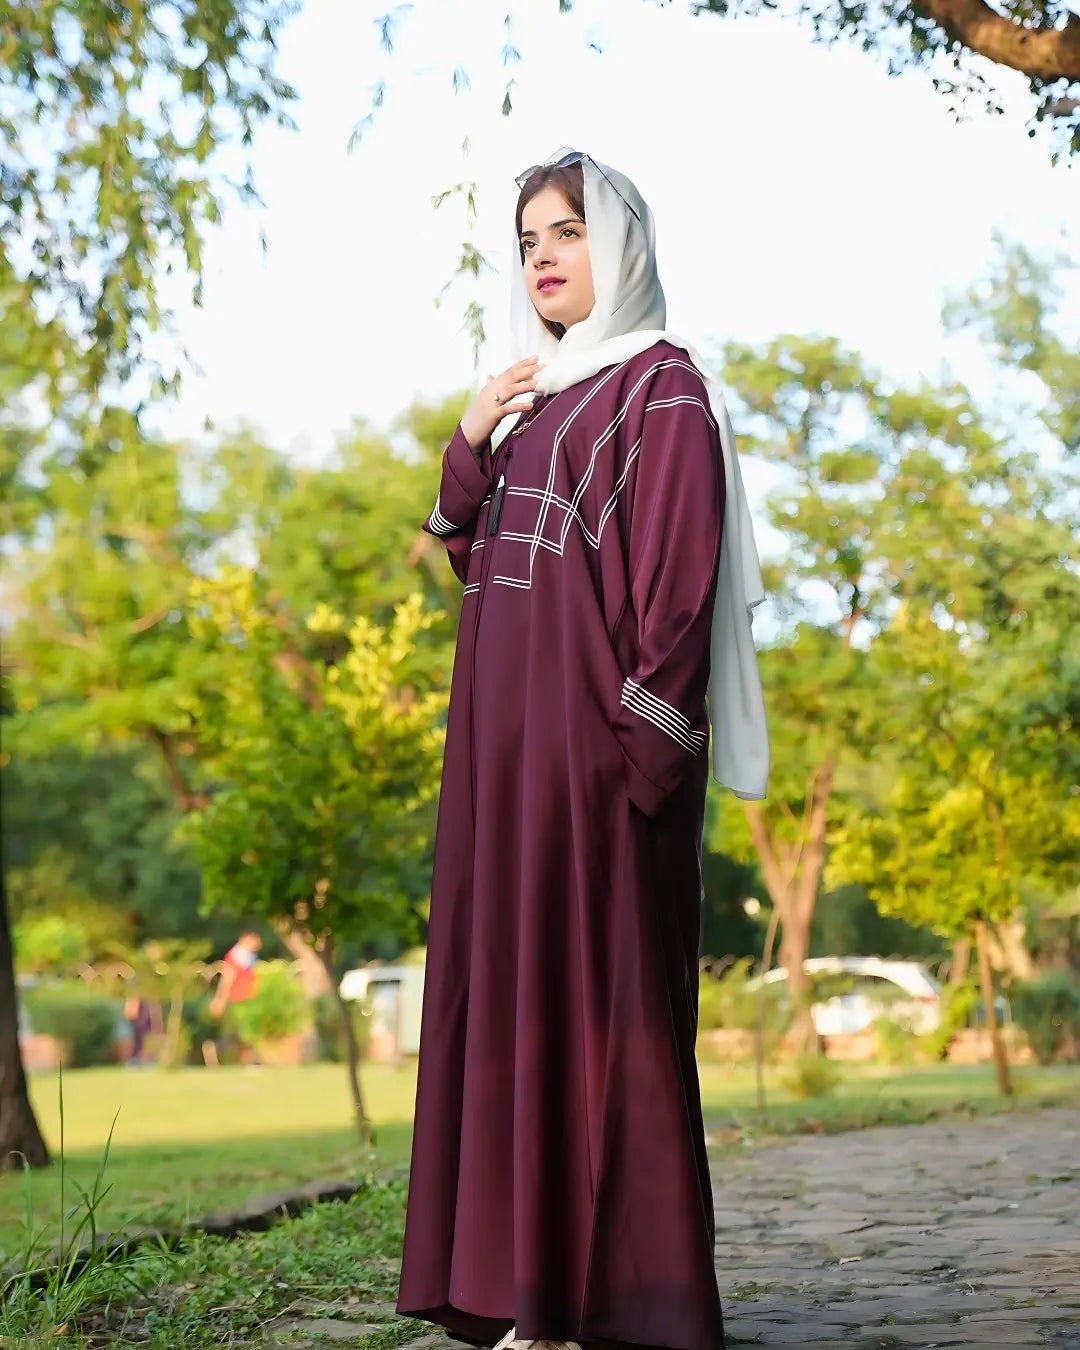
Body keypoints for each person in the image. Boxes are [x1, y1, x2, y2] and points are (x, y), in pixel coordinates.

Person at [396, 149, 769, 1350]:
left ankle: (602, 1307)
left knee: (597, 1018)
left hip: (594, 770)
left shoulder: (659, 388)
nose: (544, 255)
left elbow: (677, 590)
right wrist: (469, 430)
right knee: (515, 1017)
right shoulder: (544, 401)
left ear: (624, 245)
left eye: (568, 230)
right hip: (504, 775)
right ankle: (528, 1299)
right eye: (527, 240)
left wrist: (635, 760)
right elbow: (462, 543)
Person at [204, 931, 262, 1065]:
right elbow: (227, 979)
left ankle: (246, 1061)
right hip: (239, 999)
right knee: (242, 1033)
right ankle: (216, 1047)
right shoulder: (235, 957)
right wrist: (220, 1000)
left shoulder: (248, 956)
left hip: (249, 997)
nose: (259, 944)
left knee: (245, 1033)